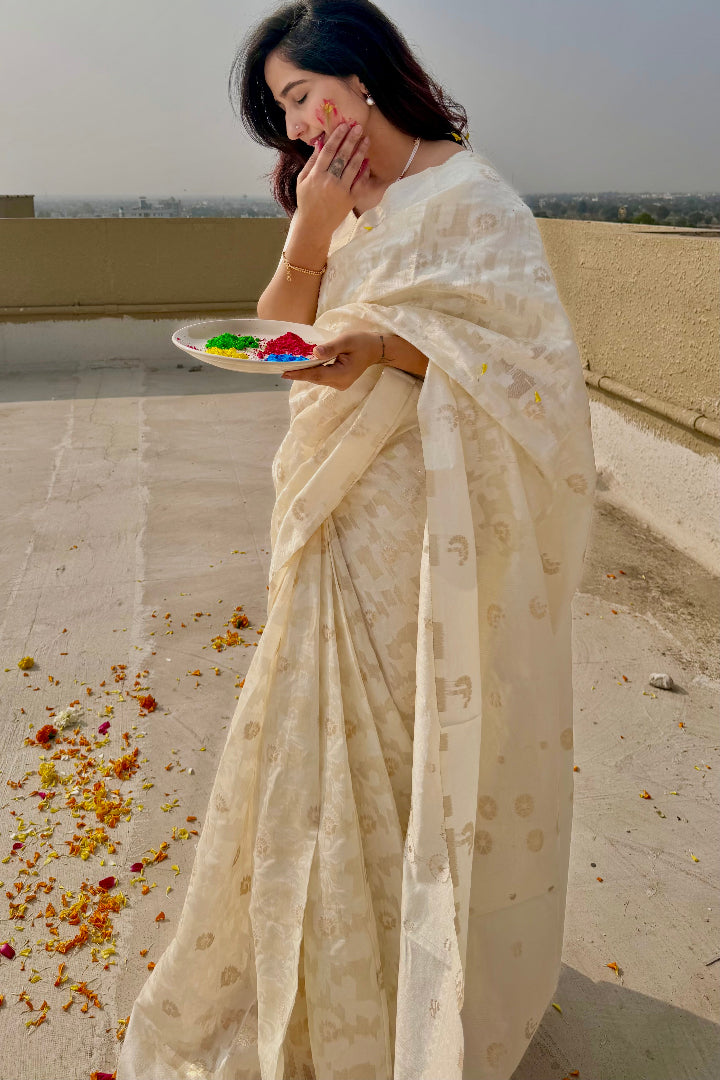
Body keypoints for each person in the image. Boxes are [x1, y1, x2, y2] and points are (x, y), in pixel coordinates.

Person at [117, 2, 596, 1078]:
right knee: (313, 732)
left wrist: (384, 344)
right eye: (281, 112)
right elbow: (279, 329)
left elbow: (529, 373)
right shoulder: (332, 198)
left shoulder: (469, 197)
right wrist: (310, 230)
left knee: (402, 737)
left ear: (363, 75)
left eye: (301, 96)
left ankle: (412, 974)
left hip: (420, 511)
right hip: (327, 500)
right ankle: (329, 968)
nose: (296, 127)